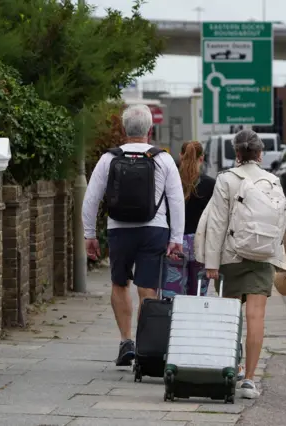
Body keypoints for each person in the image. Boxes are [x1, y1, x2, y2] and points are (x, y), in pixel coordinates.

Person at [196, 129, 286, 399]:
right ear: (260, 153)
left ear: (236, 153)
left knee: (231, 318)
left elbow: (217, 222)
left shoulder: (226, 180)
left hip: (231, 257)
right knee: (256, 318)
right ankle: (250, 380)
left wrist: (211, 262)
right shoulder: (273, 181)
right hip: (263, 257)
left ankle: (233, 367)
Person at [82, 104, 185, 367]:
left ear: (123, 129)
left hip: (119, 229)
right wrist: (176, 238)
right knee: (147, 288)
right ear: (150, 130)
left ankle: (126, 341)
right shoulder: (162, 159)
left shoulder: (108, 158)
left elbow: (91, 198)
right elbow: (176, 201)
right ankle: (147, 348)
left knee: (119, 284)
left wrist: (89, 234)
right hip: (155, 230)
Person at [164, 141, 216, 297]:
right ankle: (195, 320)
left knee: (173, 295)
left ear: (180, 156)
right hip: (200, 245)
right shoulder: (210, 184)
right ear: (202, 158)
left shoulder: (170, 182)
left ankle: (173, 320)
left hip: (174, 244)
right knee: (198, 294)